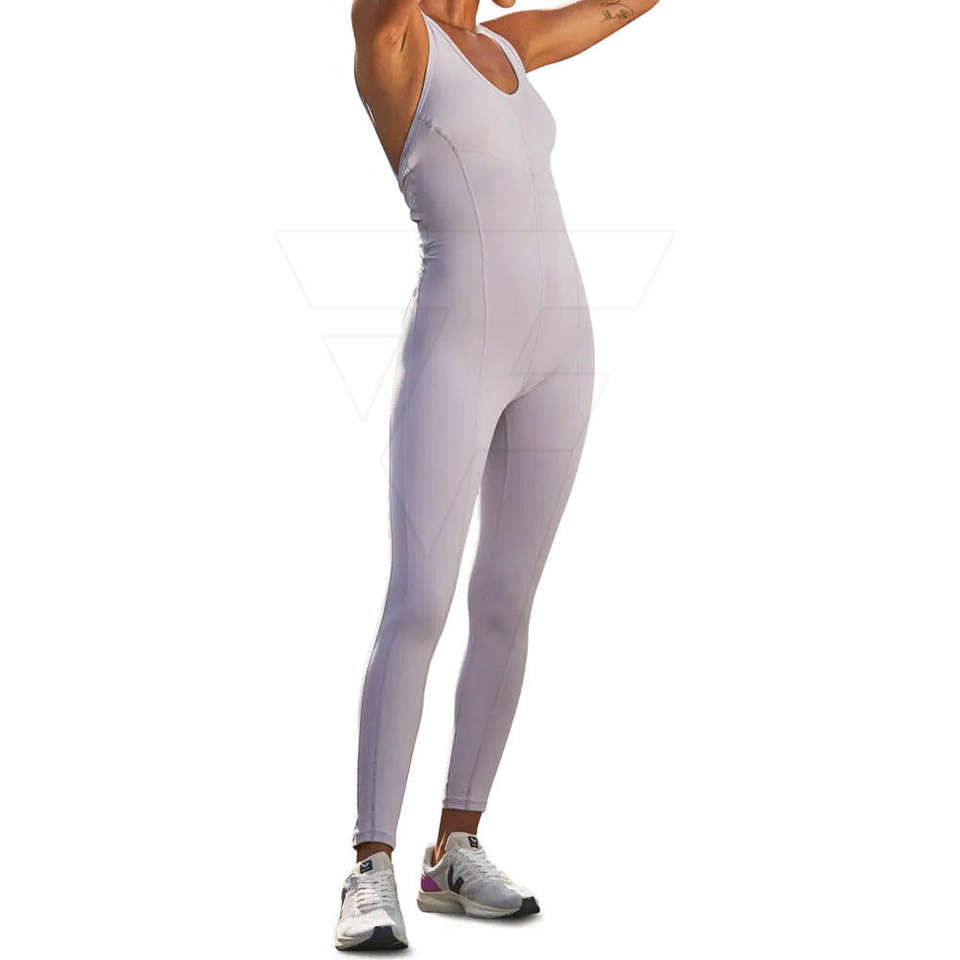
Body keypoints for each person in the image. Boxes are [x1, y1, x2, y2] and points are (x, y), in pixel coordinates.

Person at [336, 0, 660, 949]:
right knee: (420, 602)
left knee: (508, 601)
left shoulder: (509, 47)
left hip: (562, 351)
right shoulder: (398, 42)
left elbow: (619, 5)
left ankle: (455, 847)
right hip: (459, 350)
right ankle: (369, 863)